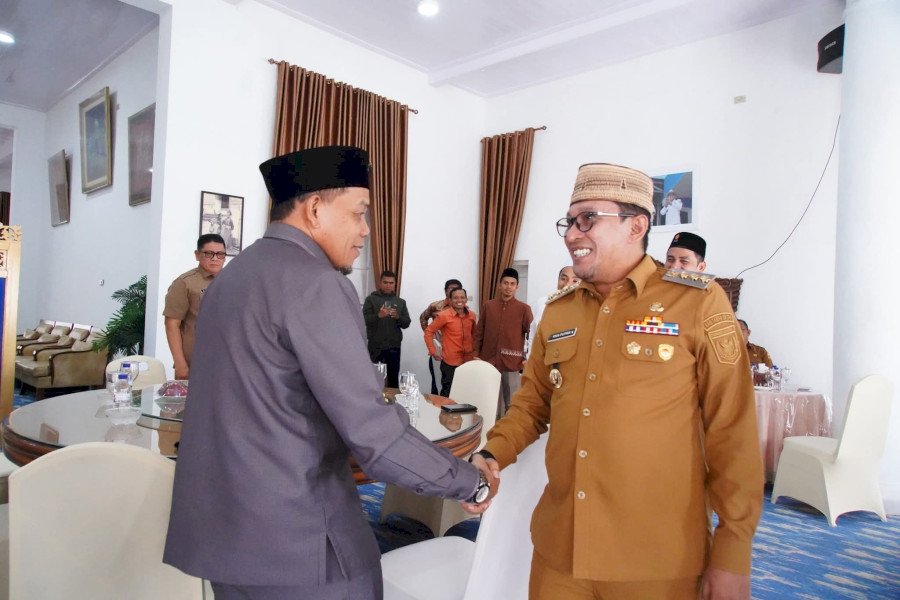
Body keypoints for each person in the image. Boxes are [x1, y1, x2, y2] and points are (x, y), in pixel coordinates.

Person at [164, 146, 494, 600]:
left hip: (225, 537)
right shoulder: (317, 283)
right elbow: (376, 437)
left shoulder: (230, 280)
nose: (365, 230)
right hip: (299, 540)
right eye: (359, 213)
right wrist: (470, 482)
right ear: (316, 209)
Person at [471, 162, 763, 600]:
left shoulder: (697, 303)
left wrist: (734, 550)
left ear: (636, 226)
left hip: (656, 558)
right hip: (561, 551)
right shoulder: (560, 311)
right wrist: (492, 454)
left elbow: (732, 430)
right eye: (570, 221)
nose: (572, 234)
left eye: (588, 218)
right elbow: (532, 405)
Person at [162, 233, 226, 380]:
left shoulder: (232, 281)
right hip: (194, 363)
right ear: (197, 255)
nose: (215, 258)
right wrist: (180, 363)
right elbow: (172, 324)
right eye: (209, 253)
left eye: (220, 254)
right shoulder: (184, 283)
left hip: (225, 363)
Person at [474, 267, 533, 416]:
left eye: (512, 284)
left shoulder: (524, 309)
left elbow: (532, 334)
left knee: (511, 402)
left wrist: (527, 357)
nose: (509, 287)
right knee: (489, 399)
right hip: (488, 360)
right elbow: (479, 332)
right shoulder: (489, 306)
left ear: (517, 286)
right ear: (500, 285)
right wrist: (476, 354)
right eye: (506, 283)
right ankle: (490, 427)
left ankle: (509, 429)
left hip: (512, 362)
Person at [362, 270, 411, 388]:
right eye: (385, 282)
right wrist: (378, 315)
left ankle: (393, 399)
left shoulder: (400, 302)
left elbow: (406, 323)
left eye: (391, 283)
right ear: (380, 283)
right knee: (374, 378)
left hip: (394, 346)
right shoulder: (371, 299)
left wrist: (398, 317)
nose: (388, 285)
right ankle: (374, 399)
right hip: (375, 346)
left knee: (393, 378)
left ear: (395, 284)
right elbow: (363, 320)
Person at [424, 288, 476, 396]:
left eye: (462, 297)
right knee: (448, 394)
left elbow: (475, 335)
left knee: (465, 393)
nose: (459, 300)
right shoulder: (444, 315)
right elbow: (429, 332)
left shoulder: (472, 315)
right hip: (450, 362)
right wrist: (433, 351)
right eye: (456, 298)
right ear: (450, 300)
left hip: (468, 361)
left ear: (466, 299)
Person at [419, 278, 463, 394]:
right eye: (450, 288)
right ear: (445, 290)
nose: (453, 291)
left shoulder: (463, 309)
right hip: (438, 349)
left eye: (456, 289)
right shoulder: (435, 306)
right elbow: (423, 318)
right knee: (438, 383)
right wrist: (431, 337)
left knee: (454, 384)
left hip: (455, 353)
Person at [530, 266, 580, 344]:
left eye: (574, 281)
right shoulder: (542, 303)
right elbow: (532, 335)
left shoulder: (584, 308)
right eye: (563, 279)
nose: (567, 284)